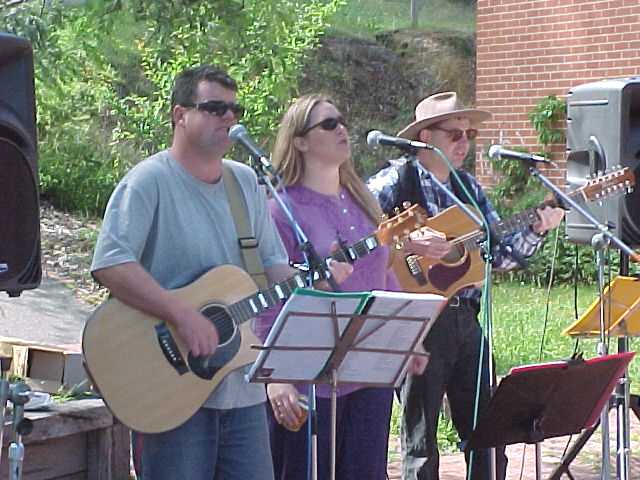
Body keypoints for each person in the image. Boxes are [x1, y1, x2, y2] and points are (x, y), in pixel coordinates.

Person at [90, 65, 295, 480]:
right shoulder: (148, 181)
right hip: (168, 390)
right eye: (215, 108)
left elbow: (272, 266)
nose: (229, 117)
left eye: (235, 109)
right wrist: (180, 313)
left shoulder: (244, 183)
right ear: (179, 115)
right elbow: (110, 262)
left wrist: (316, 279)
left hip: (242, 389)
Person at [367, 91, 565, 480]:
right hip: (418, 322)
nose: (464, 143)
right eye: (454, 134)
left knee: (488, 432)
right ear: (425, 136)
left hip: (466, 319)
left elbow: (500, 255)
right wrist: (408, 244)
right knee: (421, 441)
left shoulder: (468, 188)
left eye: (469, 134)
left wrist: (537, 229)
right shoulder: (393, 181)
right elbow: (358, 237)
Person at [254, 93, 426, 480]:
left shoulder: (362, 200)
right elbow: (268, 296)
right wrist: (275, 375)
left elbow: (383, 272)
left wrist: (406, 337)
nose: (342, 129)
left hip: (368, 370)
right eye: (329, 124)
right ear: (300, 141)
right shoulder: (281, 209)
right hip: (308, 377)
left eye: (342, 120)